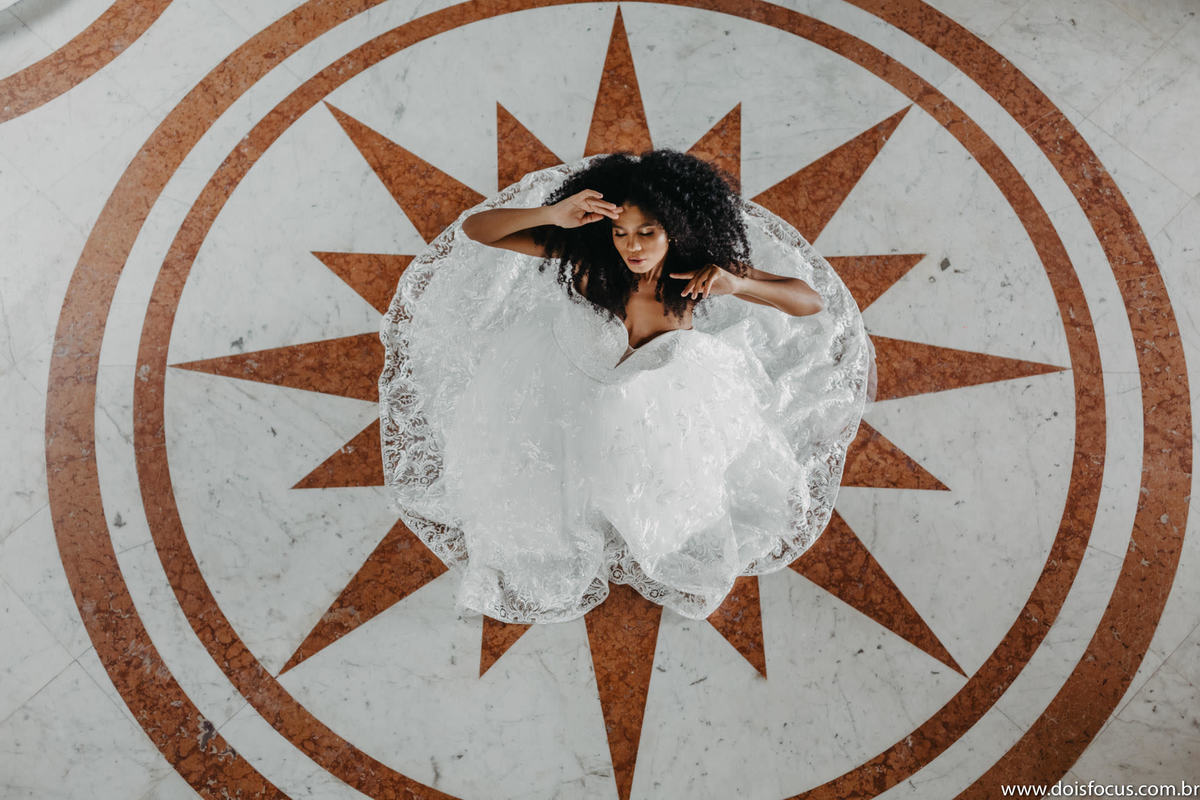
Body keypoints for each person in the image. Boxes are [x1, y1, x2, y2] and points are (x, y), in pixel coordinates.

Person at [379, 150, 875, 624]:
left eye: (647, 232)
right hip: (562, 381)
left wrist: (739, 285)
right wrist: (553, 214)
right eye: (620, 232)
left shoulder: (699, 264)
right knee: (552, 471)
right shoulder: (587, 254)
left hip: (661, 399)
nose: (632, 246)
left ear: (676, 229)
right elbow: (477, 230)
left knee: (658, 477)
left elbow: (808, 302)